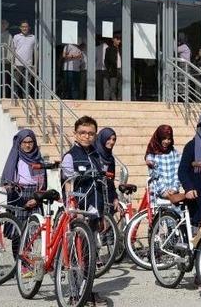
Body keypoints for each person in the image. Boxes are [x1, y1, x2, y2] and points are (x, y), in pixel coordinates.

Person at [60, 116, 108, 306]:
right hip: (78, 214)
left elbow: (101, 186)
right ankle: (74, 295)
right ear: (75, 134)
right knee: (75, 255)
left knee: (90, 256)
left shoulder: (97, 156)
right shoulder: (70, 156)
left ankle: (87, 291)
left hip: (95, 212)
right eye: (82, 133)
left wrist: (103, 214)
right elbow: (68, 184)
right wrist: (73, 210)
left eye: (90, 133)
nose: (86, 136)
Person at [1, 129, 47, 228]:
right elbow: (8, 179)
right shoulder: (15, 159)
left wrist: (37, 199)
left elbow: (44, 183)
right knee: (17, 229)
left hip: (35, 195)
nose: (27, 145)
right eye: (24, 142)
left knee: (34, 230)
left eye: (30, 142)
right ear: (19, 143)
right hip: (19, 194)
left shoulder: (38, 159)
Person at [145, 125, 181, 200]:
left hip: (173, 195)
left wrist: (174, 189)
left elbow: (178, 172)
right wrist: (163, 191)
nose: (166, 142)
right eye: (164, 138)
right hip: (157, 195)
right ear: (158, 138)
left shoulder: (175, 154)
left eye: (169, 139)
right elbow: (154, 176)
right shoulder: (152, 155)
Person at [94, 127, 120, 212]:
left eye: (114, 139)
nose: (112, 142)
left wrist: (115, 198)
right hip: (93, 194)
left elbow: (110, 181)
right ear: (102, 138)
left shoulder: (110, 159)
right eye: (108, 139)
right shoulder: (93, 155)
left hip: (105, 193)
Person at [11, 20, 37, 98]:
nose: (24, 28)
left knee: (27, 84)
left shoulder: (33, 37)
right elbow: (13, 51)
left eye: (26, 27)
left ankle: (26, 101)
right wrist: (13, 63)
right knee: (16, 83)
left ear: (29, 28)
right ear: (20, 28)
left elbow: (36, 51)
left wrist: (35, 65)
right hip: (18, 64)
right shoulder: (16, 37)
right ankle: (15, 100)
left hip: (28, 65)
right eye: (23, 27)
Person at [104, 35, 121, 101]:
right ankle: (114, 101)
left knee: (121, 87)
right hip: (113, 70)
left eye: (119, 39)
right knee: (113, 87)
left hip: (121, 69)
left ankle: (119, 100)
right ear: (113, 39)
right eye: (118, 39)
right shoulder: (109, 49)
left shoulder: (121, 49)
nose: (119, 41)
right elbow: (106, 61)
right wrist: (109, 69)